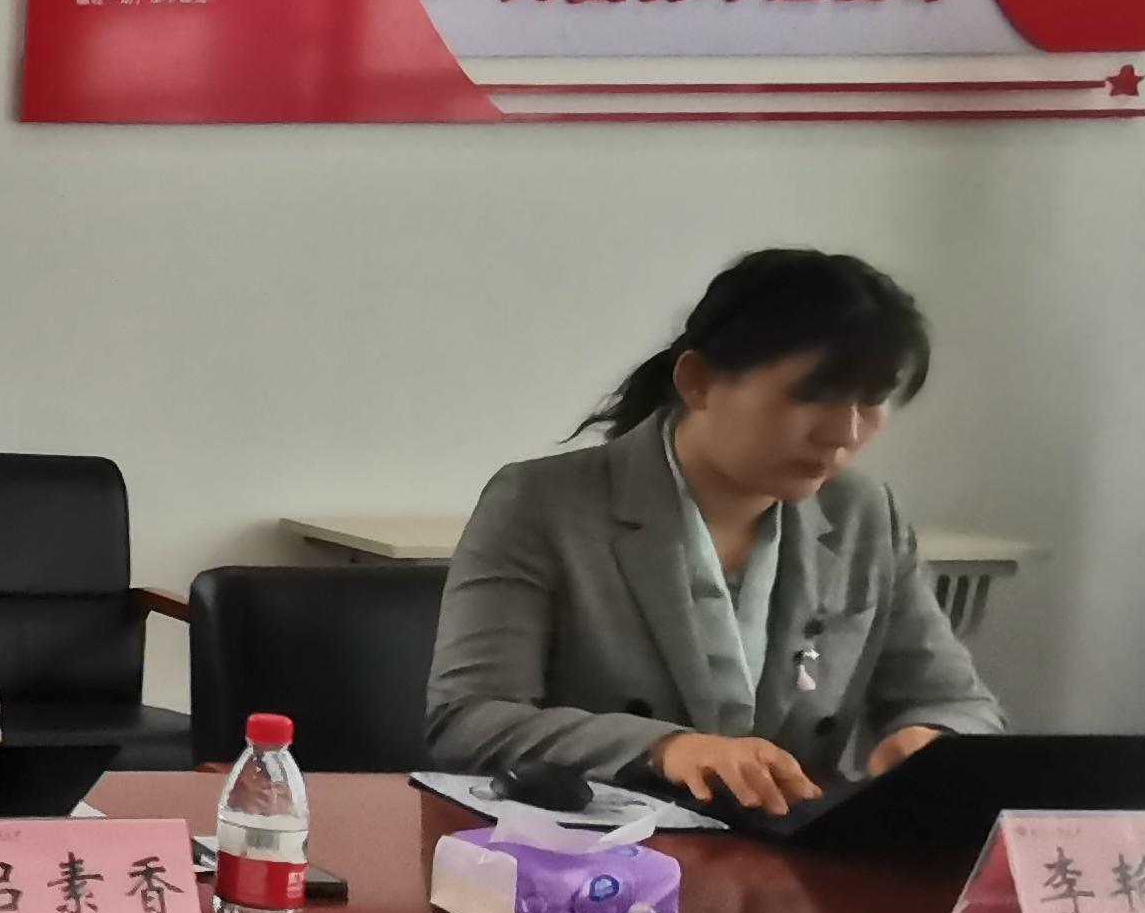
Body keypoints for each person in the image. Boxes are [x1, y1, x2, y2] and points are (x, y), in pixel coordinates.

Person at [428, 248, 1002, 810]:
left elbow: (958, 702)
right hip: (595, 847)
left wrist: (935, 740)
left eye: (873, 400)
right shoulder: (542, 502)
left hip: (792, 846)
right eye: (812, 395)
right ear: (697, 380)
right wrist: (665, 749)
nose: (845, 433)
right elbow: (469, 721)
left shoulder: (863, 514)